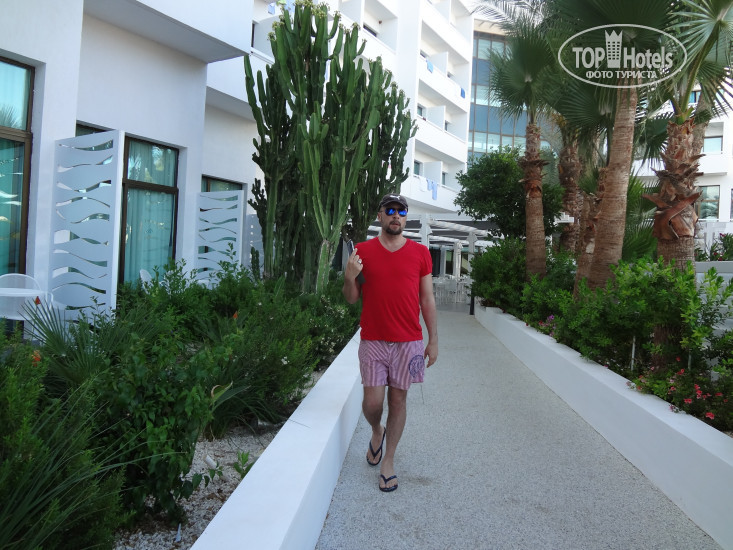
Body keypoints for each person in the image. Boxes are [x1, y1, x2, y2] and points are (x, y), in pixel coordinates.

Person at [342, 193, 438, 492]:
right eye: (391, 210)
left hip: (409, 341)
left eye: (402, 211)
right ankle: (376, 429)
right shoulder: (362, 251)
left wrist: (433, 339)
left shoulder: (421, 253)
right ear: (380, 216)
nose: (396, 215)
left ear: (406, 218)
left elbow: (427, 299)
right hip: (373, 339)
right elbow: (351, 299)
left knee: (398, 401)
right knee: (372, 403)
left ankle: (389, 461)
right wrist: (349, 277)